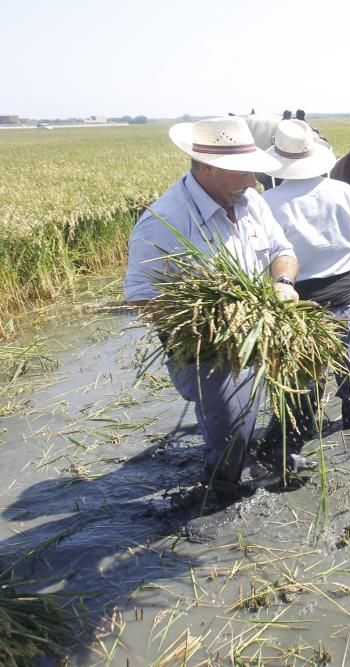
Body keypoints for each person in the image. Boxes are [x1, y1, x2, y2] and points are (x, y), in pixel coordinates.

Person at [124, 116, 299, 502]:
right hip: (209, 348)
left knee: (274, 407)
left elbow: (282, 251)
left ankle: (245, 460)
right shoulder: (164, 220)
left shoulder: (251, 202)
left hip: (259, 328)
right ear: (207, 168)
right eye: (242, 171)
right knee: (231, 429)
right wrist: (206, 324)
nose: (253, 180)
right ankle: (220, 494)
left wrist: (283, 283)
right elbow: (139, 295)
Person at [260, 120, 350, 461]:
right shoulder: (344, 193)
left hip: (298, 312)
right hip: (347, 302)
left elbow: (262, 261)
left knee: (300, 384)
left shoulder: (266, 202)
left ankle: (297, 440)